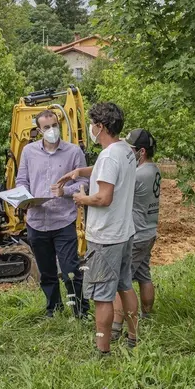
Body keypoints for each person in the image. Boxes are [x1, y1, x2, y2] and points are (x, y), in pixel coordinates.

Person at [56, 102, 138, 356]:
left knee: (102, 296)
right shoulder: (125, 150)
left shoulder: (108, 156)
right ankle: (134, 338)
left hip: (105, 236)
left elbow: (104, 197)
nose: (91, 128)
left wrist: (81, 199)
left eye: (92, 124)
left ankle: (102, 350)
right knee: (125, 286)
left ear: (100, 127)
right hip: (124, 232)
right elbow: (108, 171)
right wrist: (81, 171)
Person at [16, 109, 89, 319]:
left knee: (70, 269)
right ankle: (53, 309)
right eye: (46, 127)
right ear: (39, 130)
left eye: (54, 125)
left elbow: (85, 182)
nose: (51, 130)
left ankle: (80, 311)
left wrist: (65, 191)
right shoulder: (29, 152)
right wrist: (23, 198)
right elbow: (22, 180)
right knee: (47, 272)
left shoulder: (73, 152)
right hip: (37, 221)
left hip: (63, 220)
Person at [112, 128, 160, 340]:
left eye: (131, 149)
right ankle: (147, 315)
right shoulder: (154, 170)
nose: (128, 152)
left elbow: (114, 193)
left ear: (141, 151)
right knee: (144, 274)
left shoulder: (137, 175)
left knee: (121, 282)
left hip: (137, 234)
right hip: (149, 231)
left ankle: (116, 325)